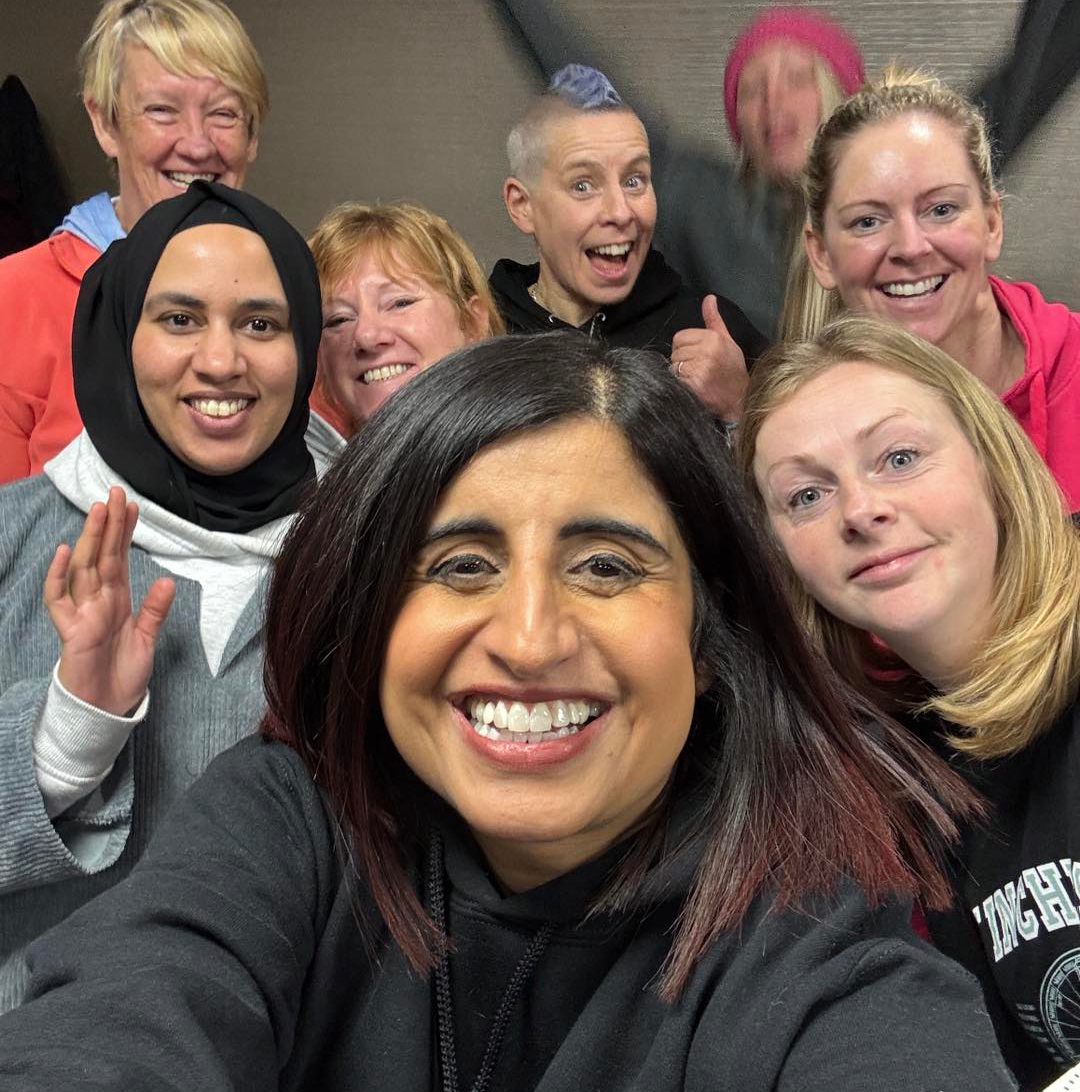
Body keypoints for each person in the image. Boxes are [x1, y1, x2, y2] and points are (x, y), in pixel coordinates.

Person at [0, 332, 1017, 1090]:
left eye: (609, 566)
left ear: (714, 641)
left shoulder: (809, 916)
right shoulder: (288, 819)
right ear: (371, 615)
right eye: (461, 566)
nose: (530, 640)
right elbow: (119, 1019)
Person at [738, 313, 1080, 1091]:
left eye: (899, 457)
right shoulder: (901, 773)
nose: (860, 511)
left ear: (992, 460)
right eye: (806, 496)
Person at [0, 180, 319, 1011]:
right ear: (118, 332)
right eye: (179, 319)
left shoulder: (367, 558)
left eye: (261, 323)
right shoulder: (12, 538)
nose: (220, 361)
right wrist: (66, 735)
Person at [492, 0, 1080, 339]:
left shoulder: (915, 175)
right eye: (753, 90)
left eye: (799, 80)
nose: (776, 107)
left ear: (843, 99)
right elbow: (578, 74)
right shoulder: (699, 198)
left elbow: (1033, 72)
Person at [788, 66, 1080, 511]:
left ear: (992, 224)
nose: (910, 247)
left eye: (941, 209)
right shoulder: (800, 442)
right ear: (821, 254)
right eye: (868, 221)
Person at [0, 0, 267, 483]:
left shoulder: (288, 295)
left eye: (224, 113)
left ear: (252, 135)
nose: (197, 144)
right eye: (162, 110)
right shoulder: (12, 297)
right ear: (105, 123)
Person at [491, 67, 766, 423]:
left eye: (634, 180)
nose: (621, 212)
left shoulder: (718, 334)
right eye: (583, 186)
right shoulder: (480, 333)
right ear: (522, 206)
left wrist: (738, 406)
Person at [305, 201, 504, 458]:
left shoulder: (541, 464)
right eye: (338, 319)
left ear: (472, 322)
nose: (366, 335)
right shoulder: (312, 487)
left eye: (400, 303)